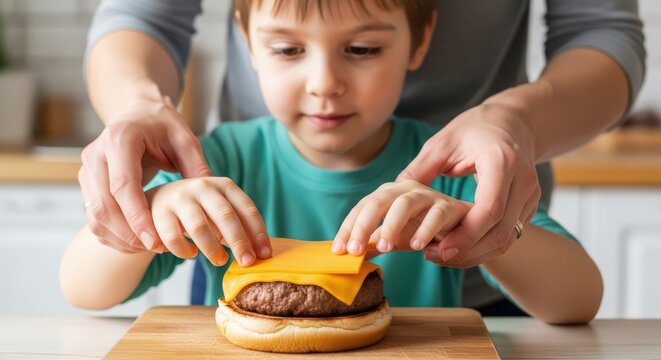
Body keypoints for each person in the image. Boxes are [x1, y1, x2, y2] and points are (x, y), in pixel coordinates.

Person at [79, 0, 644, 314]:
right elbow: (84, 289)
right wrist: (154, 208)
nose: (325, 83)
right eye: (287, 49)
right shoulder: (218, 163)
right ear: (248, 42)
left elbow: (577, 300)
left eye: (363, 49)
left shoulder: (447, 182)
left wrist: (483, 235)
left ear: (418, 44)